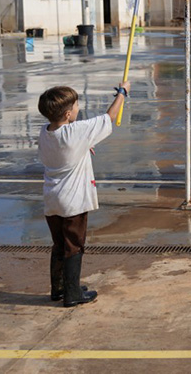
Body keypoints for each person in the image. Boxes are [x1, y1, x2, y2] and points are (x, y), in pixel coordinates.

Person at [38, 81, 129, 307]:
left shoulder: (45, 132)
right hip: (73, 202)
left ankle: (59, 288)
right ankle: (72, 294)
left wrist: (83, 146)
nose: (79, 108)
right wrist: (122, 93)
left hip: (52, 200)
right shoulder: (75, 131)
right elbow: (109, 117)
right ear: (68, 114)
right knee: (74, 246)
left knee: (59, 244)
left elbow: (63, 148)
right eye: (77, 105)